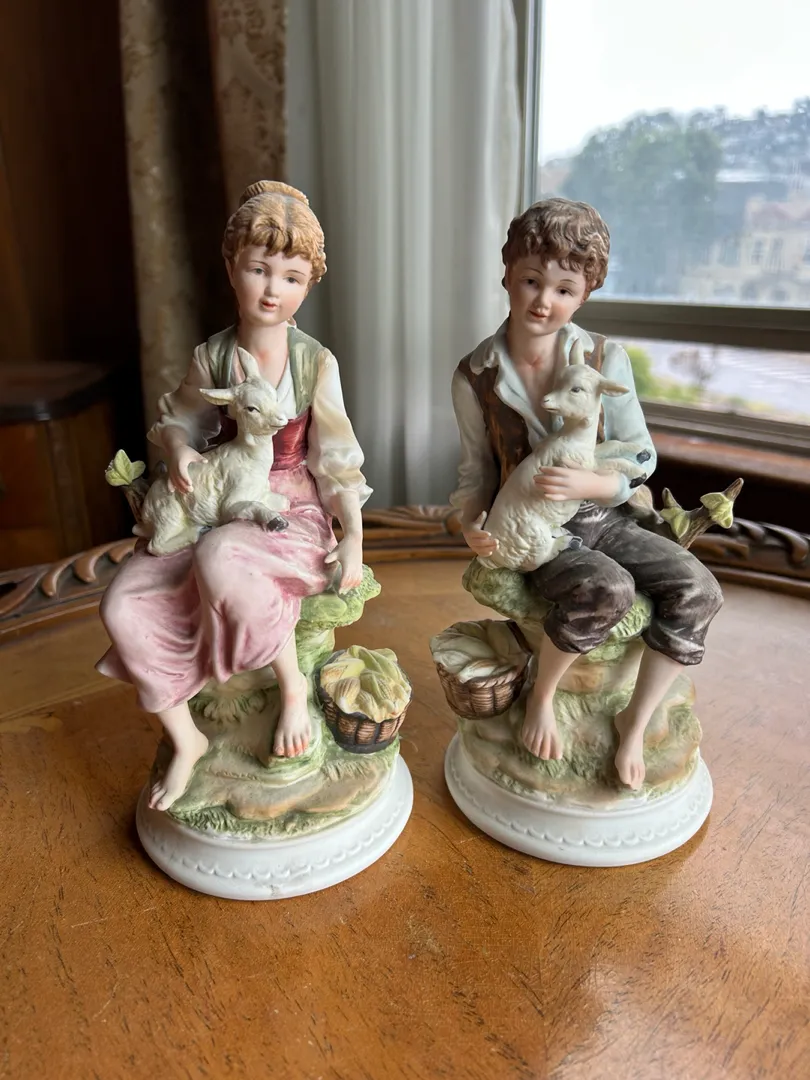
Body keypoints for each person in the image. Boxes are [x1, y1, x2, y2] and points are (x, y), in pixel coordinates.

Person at [97, 181, 371, 811]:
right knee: (122, 603)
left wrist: (353, 535)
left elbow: (337, 460)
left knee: (223, 557)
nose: (273, 290)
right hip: (215, 497)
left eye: (292, 277)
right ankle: (186, 737)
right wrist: (179, 450)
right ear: (231, 268)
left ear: (309, 285)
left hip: (288, 507)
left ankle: (291, 689)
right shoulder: (213, 357)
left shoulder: (313, 363)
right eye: (258, 269)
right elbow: (179, 420)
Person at [450, 197, 723, 790]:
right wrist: (470, 521)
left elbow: (641, 454)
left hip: (605, 514)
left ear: (584, 295)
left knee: (698, 589)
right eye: (531, 281)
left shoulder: (603, 359)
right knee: (606, 587)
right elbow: (475, 473)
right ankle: (542, 696)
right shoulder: (476, 376)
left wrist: (598, 483)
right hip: (539, 531)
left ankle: (636, 721)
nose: (543, 301)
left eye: (564, 289)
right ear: (508, 274)